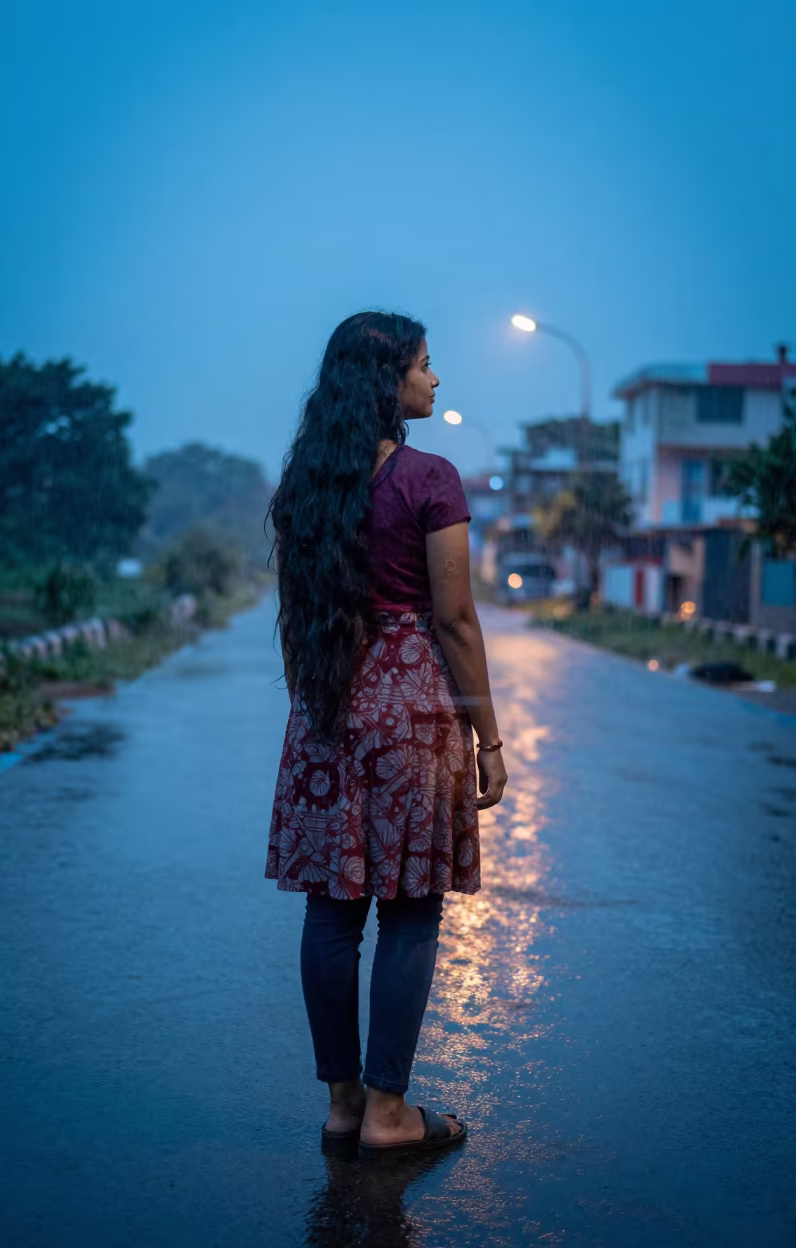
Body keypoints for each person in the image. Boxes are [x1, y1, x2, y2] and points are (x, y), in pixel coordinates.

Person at [266, 311, 507, 1157]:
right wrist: (490, 738)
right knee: (410, 913)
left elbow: (298, 620)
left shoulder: (306, 485)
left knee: (333, 916)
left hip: (326, 708)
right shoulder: (430, 478)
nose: (436, 381)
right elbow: (457, 619)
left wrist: (319, 712)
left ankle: (341, 1104)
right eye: (426, 367)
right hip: (411, 712)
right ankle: (390, 1113)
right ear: (388, 381)